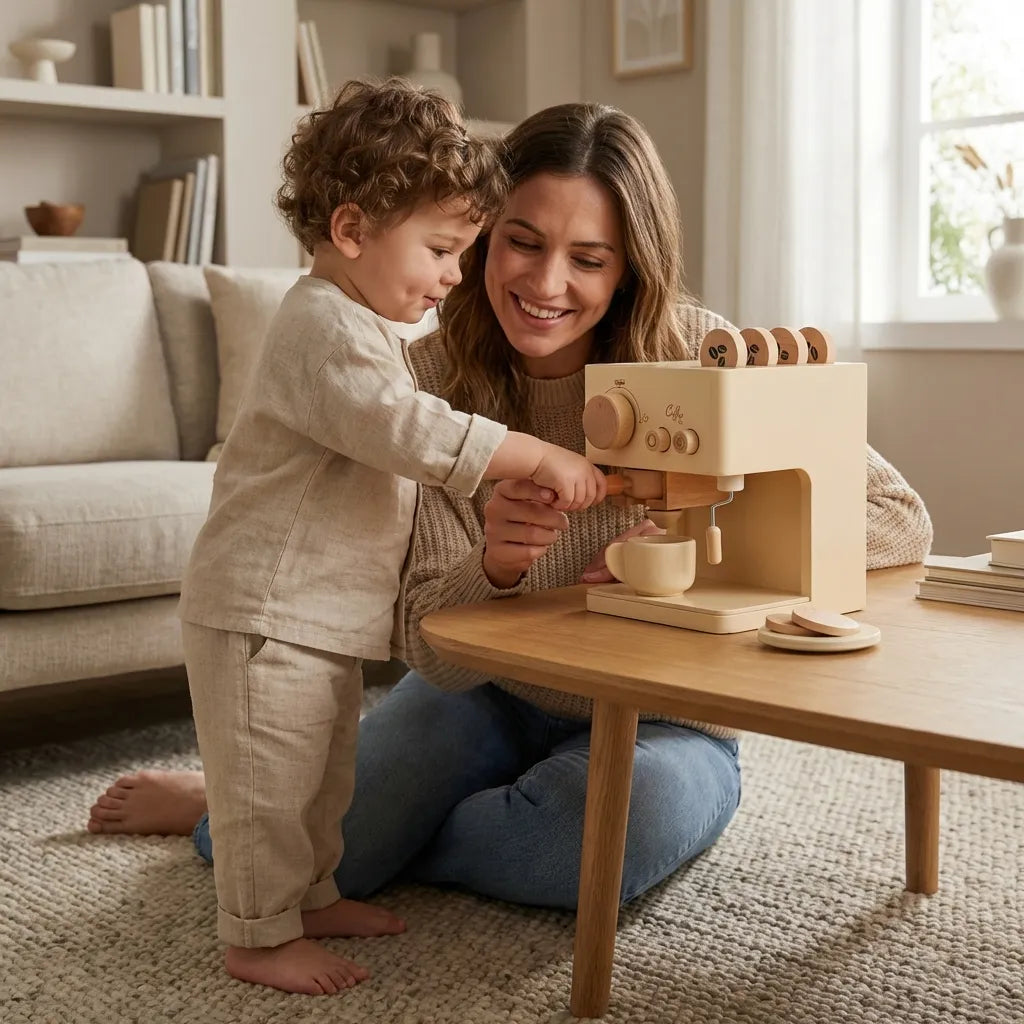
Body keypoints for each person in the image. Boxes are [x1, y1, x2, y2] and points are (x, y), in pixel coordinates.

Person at [89, 102, 933, 922]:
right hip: (483, 697)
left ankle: (325, 807)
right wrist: (490, 567)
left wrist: (710, 549)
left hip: (664, 725)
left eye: (590, 260)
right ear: (482, 232)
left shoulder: (701, 352)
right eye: (521, 242)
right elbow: (429, 645)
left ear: (630, 267)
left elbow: (899, 516)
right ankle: (251, 795)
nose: (545, 283)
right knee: (251, 861)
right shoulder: (421, 387)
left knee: (576, 850)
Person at [164, 81, 608, 997]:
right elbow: (406, 428)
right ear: (355, 229)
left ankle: (312, 893)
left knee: (324, 779)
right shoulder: (322, 328)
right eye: (444, 251)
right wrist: (524, 449)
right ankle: (255, 933)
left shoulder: (370, 320)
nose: (455, 275)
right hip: (263, 608)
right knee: (271, 787)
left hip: (317, 614)